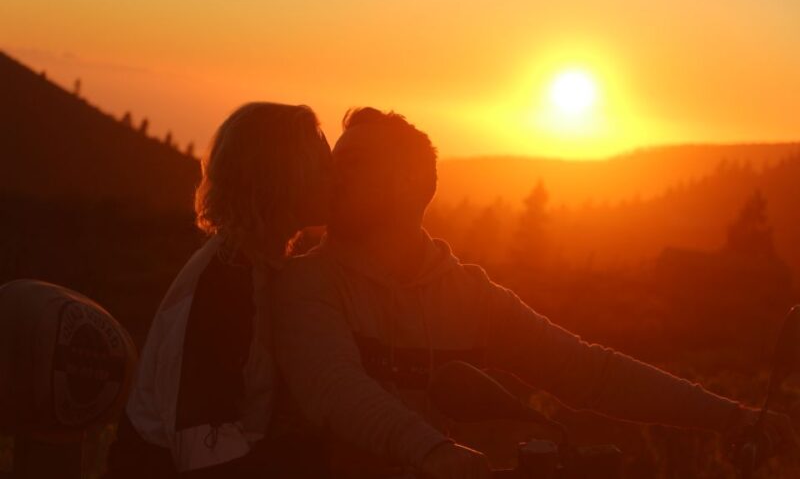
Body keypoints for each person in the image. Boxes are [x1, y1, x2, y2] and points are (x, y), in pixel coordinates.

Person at [268, 107, 798, 479]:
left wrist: (733, 418)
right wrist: (432, 451)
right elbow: (334, 389)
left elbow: (589, 372)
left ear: (410, 183)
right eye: (334, 164)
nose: (333, 178)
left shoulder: (466, 294)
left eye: (354, 164)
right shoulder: (306, 280)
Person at [107, 102, 332, 477]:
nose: (334, 178)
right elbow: (204, 452)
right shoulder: (223, 284)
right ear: (283, 176)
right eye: (322, 168)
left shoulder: (259, 269)